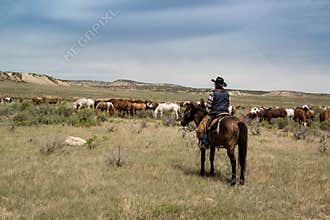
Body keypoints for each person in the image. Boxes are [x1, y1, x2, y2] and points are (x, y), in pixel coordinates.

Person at [196, 76, 230, 148]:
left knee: (202, 127)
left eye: (215, 84)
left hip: (215, 113)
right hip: (226, 113)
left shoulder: (213, 93)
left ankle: (204, 142)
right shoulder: (227, 93)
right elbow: (228, 103)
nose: (214, 85)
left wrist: (208, 108)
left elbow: (209, 104)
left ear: (217, 84)